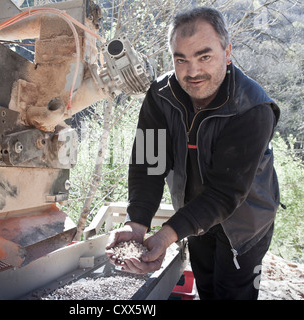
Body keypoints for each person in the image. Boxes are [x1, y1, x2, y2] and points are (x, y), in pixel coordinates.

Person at [105, 6, 280, 300]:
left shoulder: (252, 108)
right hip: (193, 215)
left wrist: (165, 236)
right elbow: (150, 164)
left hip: (245, 220)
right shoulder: (161, 97)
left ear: (228, 52)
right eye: (181, 59)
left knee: (232, 295)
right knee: (207, 288)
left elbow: (225, 193)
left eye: (204, 56)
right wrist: (136, 224)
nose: (193, 71)